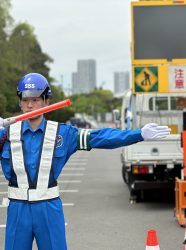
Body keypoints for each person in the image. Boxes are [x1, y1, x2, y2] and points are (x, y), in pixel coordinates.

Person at [0, 73, 171, 250]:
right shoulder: (5, 134)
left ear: (46, 101)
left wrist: (139, 134)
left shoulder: (63, 134)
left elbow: (101, 137)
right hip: (17, 211)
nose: (29, 105)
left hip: (49, 210)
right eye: (25, 99)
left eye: (35, 99)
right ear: (19, 102)